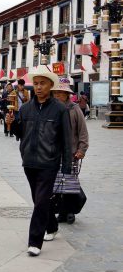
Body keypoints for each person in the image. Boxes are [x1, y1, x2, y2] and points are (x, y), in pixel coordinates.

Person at [6, 65, 72, 257]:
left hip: (49, 162)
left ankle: (35, 241)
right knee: (39, 200)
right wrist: (12, 124)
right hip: (29, 161)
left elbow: (66, 140)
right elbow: (20, 133)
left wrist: (66, 168)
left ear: (51, 85)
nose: (39, 87)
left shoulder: (60, 110)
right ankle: (51, 226)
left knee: (41, 201)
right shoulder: (26, 109)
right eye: (36, 83)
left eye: (42, 83)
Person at [51, 77, 88, 225]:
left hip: (71, 153)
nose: (58, 95)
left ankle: (71, 211)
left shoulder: (75, 109)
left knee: (71, 184)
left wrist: (82, 149)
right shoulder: (52, 109)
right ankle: (61, 211)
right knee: (57, 184)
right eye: (56, 93)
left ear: (67, 94)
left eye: (61, 93)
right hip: (55, 153)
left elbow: (83, 132)